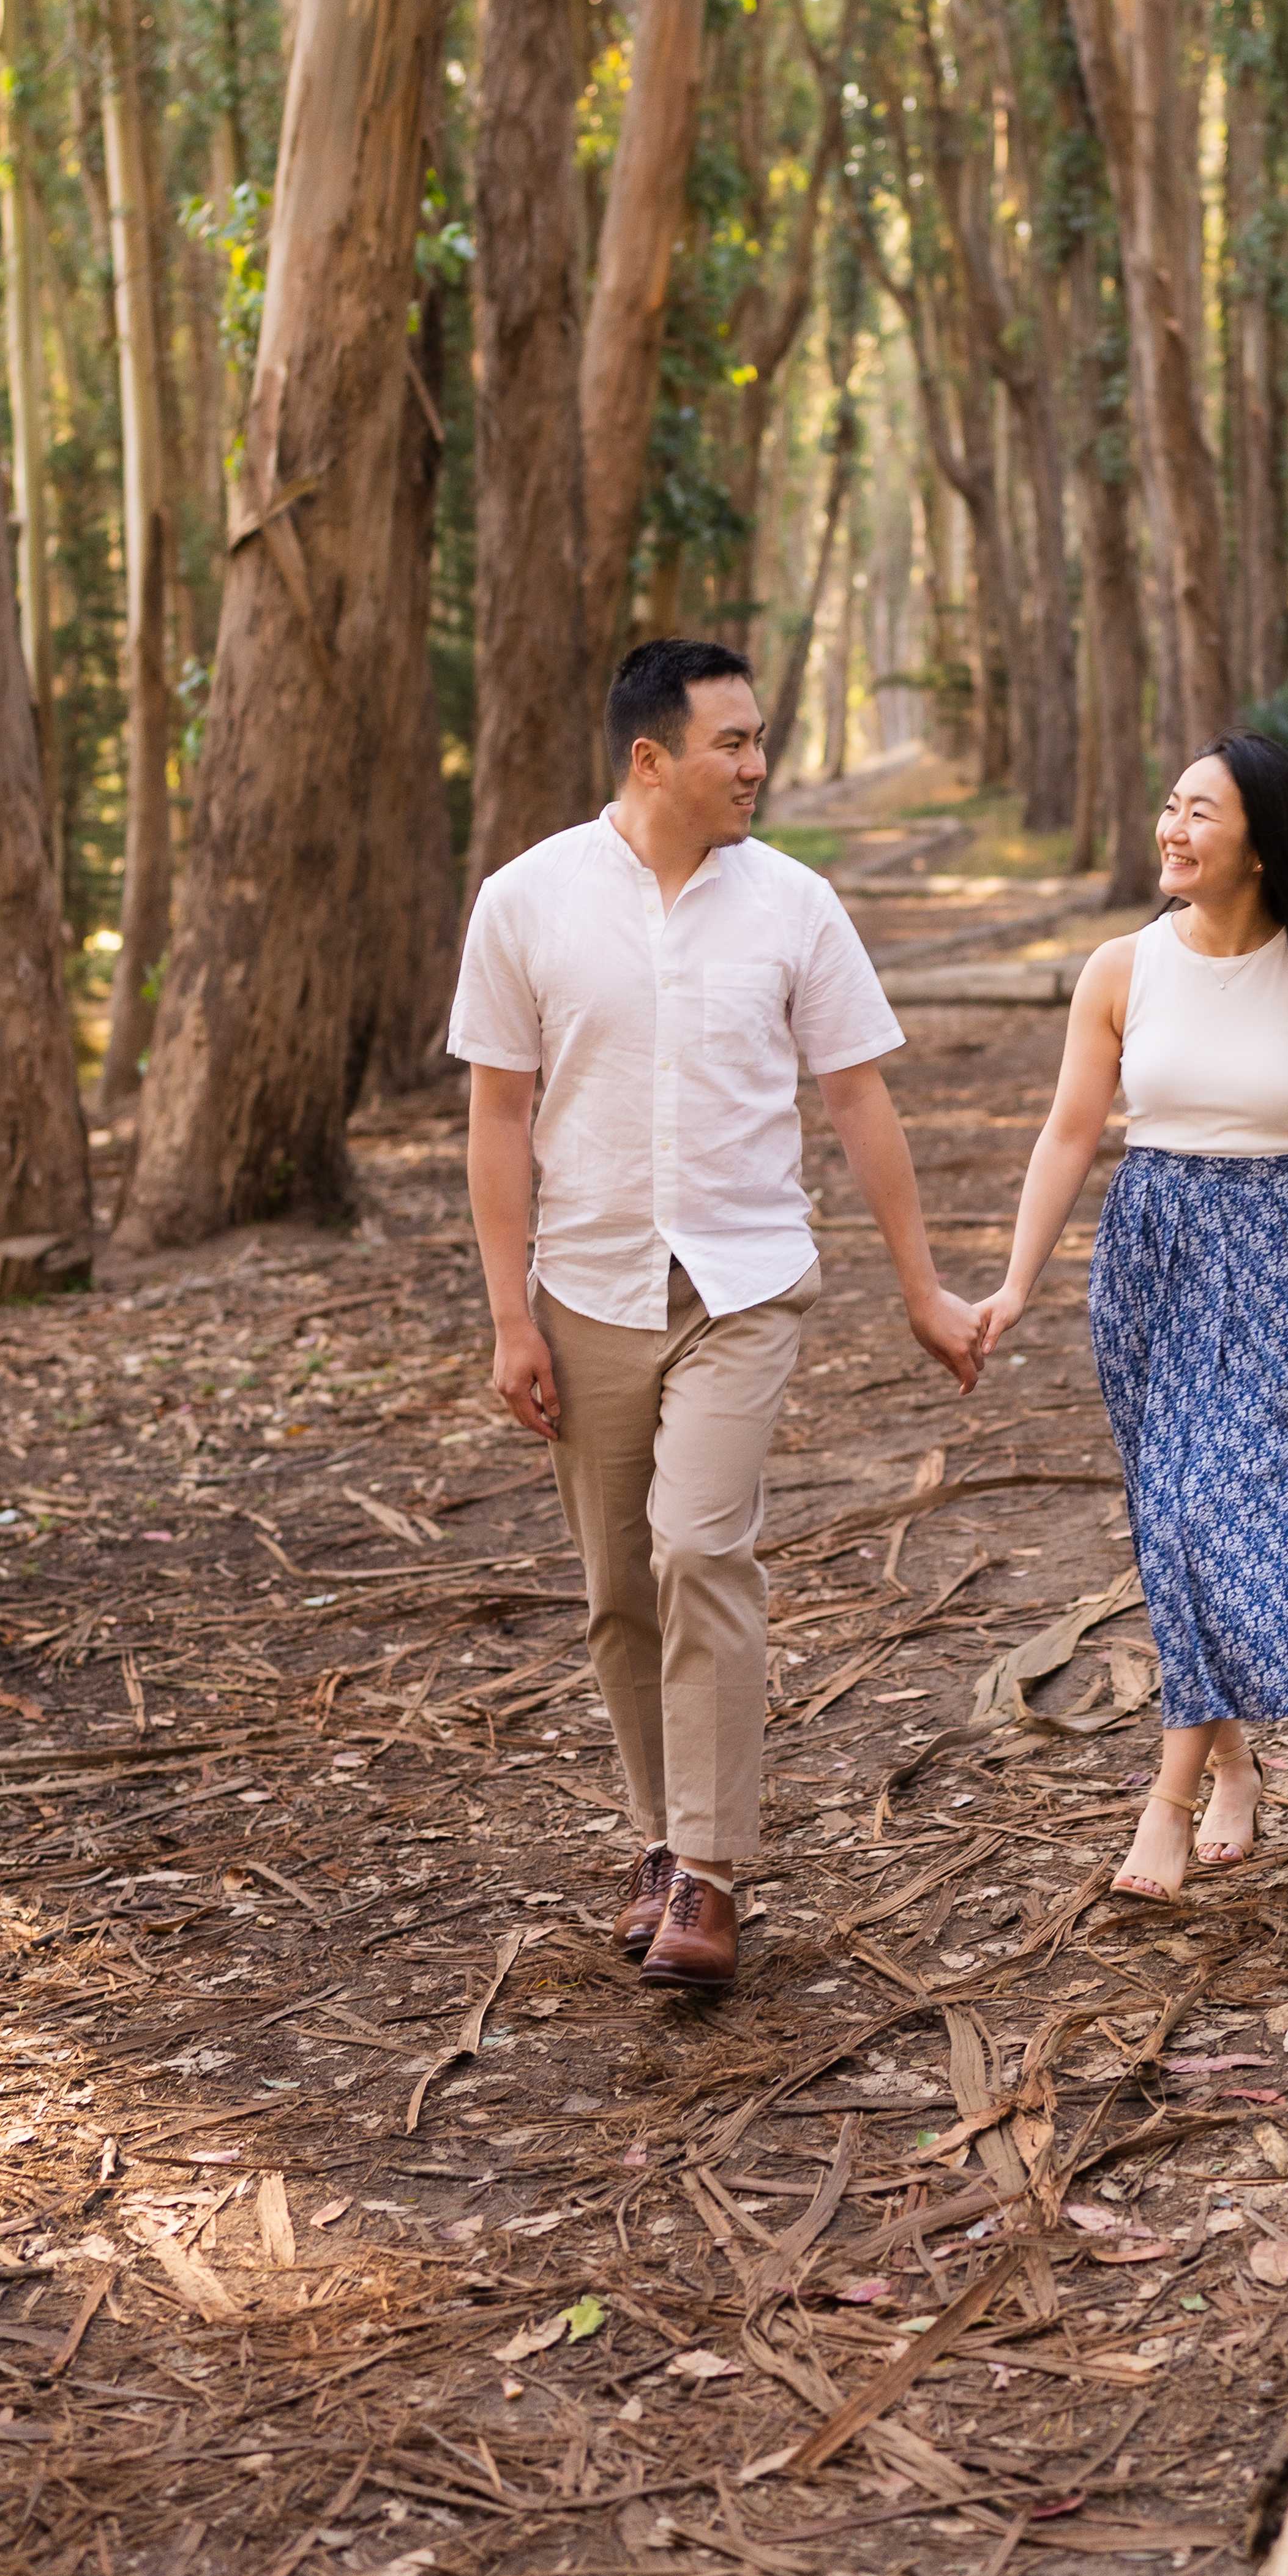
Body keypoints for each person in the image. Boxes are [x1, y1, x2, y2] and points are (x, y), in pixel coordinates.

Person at [452, 639, 982, 1994]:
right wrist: (509, 1319)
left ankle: (710, 1870)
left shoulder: (795, 906)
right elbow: (499, 1116)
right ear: (650, 759)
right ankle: (653, 1839)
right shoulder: (524, 902)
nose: (756, 765)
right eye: (731, 743)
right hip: (586, 1289)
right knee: (619, 1591)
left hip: (743, 1281)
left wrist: (921, 1285)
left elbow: (859, 1099)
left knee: (698, 1548)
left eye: (757, 740)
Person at [975, 732, 1288, 1895]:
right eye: (1170, 806)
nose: (1172, 828)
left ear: (1264, 841)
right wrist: (1016, 1282)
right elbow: (1068, 1133)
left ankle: (1165, 1801)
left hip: (1278, 1262)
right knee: (1176, 1530)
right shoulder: (1120, 968)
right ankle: (1237, 1768)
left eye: (1200, 813)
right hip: (1150, 1258)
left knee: (1211, 1517)